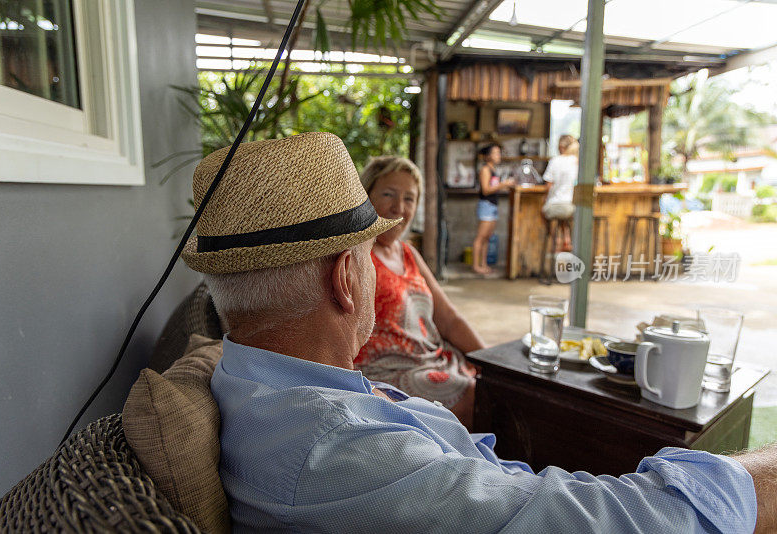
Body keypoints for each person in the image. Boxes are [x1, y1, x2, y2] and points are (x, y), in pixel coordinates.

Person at [182, 132, 774, 533]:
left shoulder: (254, 377)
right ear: (346, 278)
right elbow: (603, 520)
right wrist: (754, 482)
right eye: (366, 254)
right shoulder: (335, 448)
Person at [356, 156, 484, 429]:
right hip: (386, 374)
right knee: (477, 394)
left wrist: (490, 360)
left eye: (409, 199)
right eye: (388, 194)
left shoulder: (409, 254)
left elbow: (449, 318)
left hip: (433, 360)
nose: (398, 207)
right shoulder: (357, 253)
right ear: (366, 195)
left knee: (495, 385)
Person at [473, 143, 513, 275]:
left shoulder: (493, 170)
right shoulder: (485, 170)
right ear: (488, 156)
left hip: (493, 206)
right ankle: (476, 265)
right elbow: (485, 189)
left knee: (487, 238)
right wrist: (503, 184)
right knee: (480, 237)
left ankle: (483, 264)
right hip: (486, 205)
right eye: (496, 153)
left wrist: (504, 185)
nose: (498, 155)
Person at [542, 134, 579, 251]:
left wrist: (545, 198)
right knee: (563, 216)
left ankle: (554, 239)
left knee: (544, 211)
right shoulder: (577, 161)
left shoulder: (555, 161)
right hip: (572, 206)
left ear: (561, 146)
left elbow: (548, 185)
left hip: (556, 204)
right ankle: (566, 239)